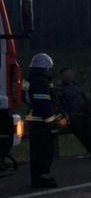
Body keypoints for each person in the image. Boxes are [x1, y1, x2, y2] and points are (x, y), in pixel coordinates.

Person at [24, 53, 59, 188]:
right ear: (44, 67)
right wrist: (51, 121)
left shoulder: (30, 79)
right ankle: (41, 177)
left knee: (37, 151)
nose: (49, 70)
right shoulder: (40, 81)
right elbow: (43, 103)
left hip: (34, 120)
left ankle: (38, 176)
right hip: (41, 122)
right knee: (44, 151)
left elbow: (26, 98)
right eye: (48, 68)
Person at [54, 68, 91, 160]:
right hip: (72, 115)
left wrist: (89, 108)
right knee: (80, 131)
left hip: (85, 112)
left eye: (70, 74)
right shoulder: (59, 88)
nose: (69, 76)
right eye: (67, 74)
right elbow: (58, 104)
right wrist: (65, 115)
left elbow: (84, 97)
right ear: (62, 76)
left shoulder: (76, 85)